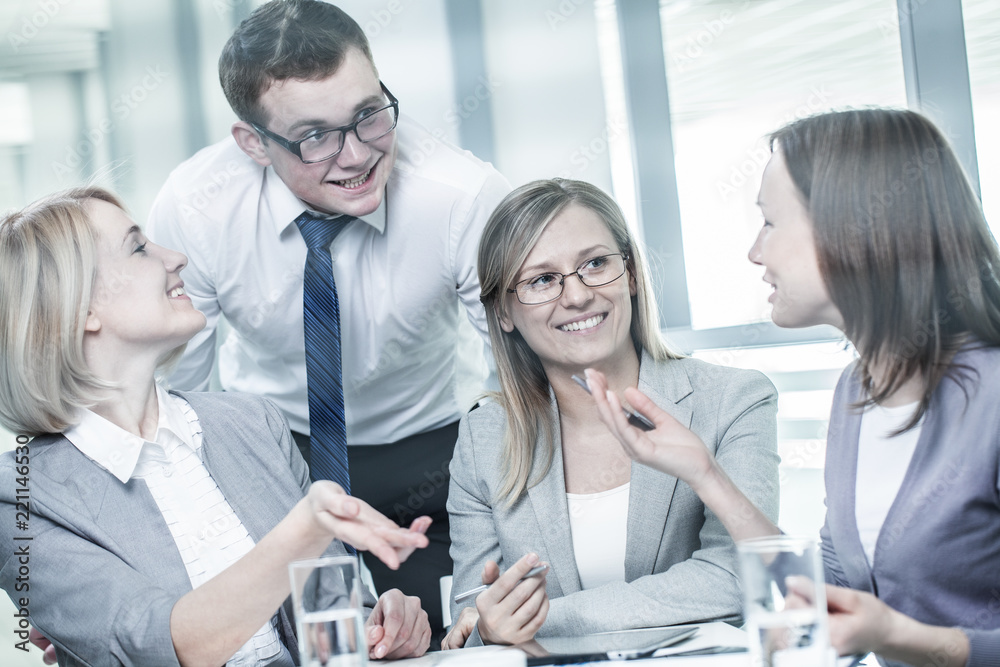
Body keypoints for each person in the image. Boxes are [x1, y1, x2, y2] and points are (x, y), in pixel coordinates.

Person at [145, 0, 511, 636]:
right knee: (297, 644)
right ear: (253, 143)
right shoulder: (198, 205)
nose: (356, 155)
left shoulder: (462, 197)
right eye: (314, 136)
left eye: (368, 115)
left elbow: (518, 382)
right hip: (275, 452)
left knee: (436, 636)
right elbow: (177, 399)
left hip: (428, 453)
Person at [587, 108, 1000, 666]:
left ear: (850, 230)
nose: (755, 252)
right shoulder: (859, 391)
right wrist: (702, 472)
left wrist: (902, 638)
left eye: (770, 223)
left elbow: (881, 626)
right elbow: (828, 588)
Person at [0, 187, 433, 666]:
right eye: (139, 248)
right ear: (81, 308)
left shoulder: (254, 423)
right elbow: (154, 647)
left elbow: (330, 618)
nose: (177, 258)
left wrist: (379, 626)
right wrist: (303, 530)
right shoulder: (20, 496)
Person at [442, 178, 780, 648]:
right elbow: (470, 613)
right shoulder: (483, 437)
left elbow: (737, 576)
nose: (577, 296)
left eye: (595, 264)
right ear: (503, 312)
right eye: (542, 280)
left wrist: (536, 620)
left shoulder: (733, 399)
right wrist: (483, 624)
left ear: (632, 274)